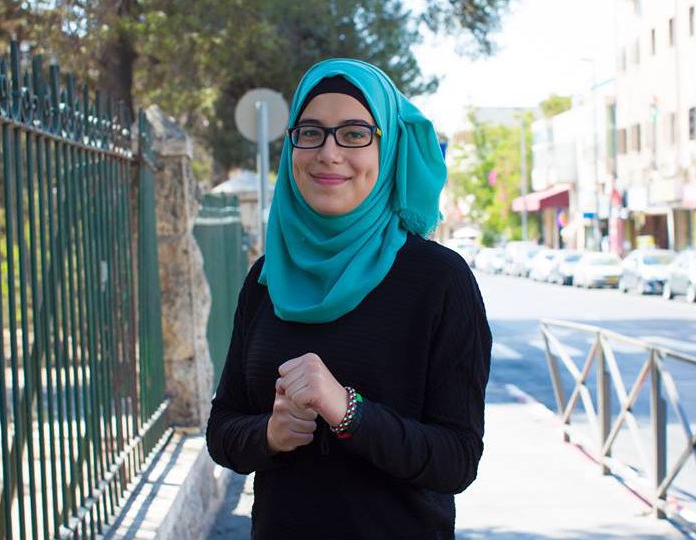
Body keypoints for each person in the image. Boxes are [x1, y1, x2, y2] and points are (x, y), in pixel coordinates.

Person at [206, 58, 492, 539]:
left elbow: (457, 460)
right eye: (311, 132)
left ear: (387, 148)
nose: (329, 153)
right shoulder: (267, 278)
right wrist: (270, 436)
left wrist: (347, 410)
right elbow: (223, 429)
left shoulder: (439, 280)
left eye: (355, 134)